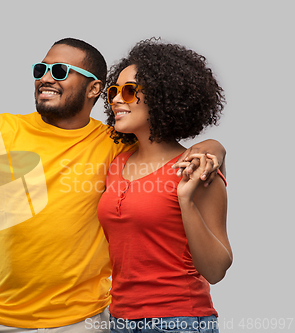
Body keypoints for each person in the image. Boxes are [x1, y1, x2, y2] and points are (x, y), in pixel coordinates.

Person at [0, 24, 227, 332]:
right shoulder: (0, 132)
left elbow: (166, 145)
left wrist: (213, 146)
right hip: (5, 321)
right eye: (41, 70)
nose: (47, 78)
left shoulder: (114, 145)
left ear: (93, 88)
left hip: (89, 322)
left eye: (61, 71)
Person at [97, 38, 232, 333]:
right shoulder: (116, 164)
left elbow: (216, 269)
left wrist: (186, 200)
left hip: (178, 321)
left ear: (163, 96)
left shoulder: (196, 169)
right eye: (114, 91)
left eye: (130, 91)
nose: (117, 100)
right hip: (118, 320)